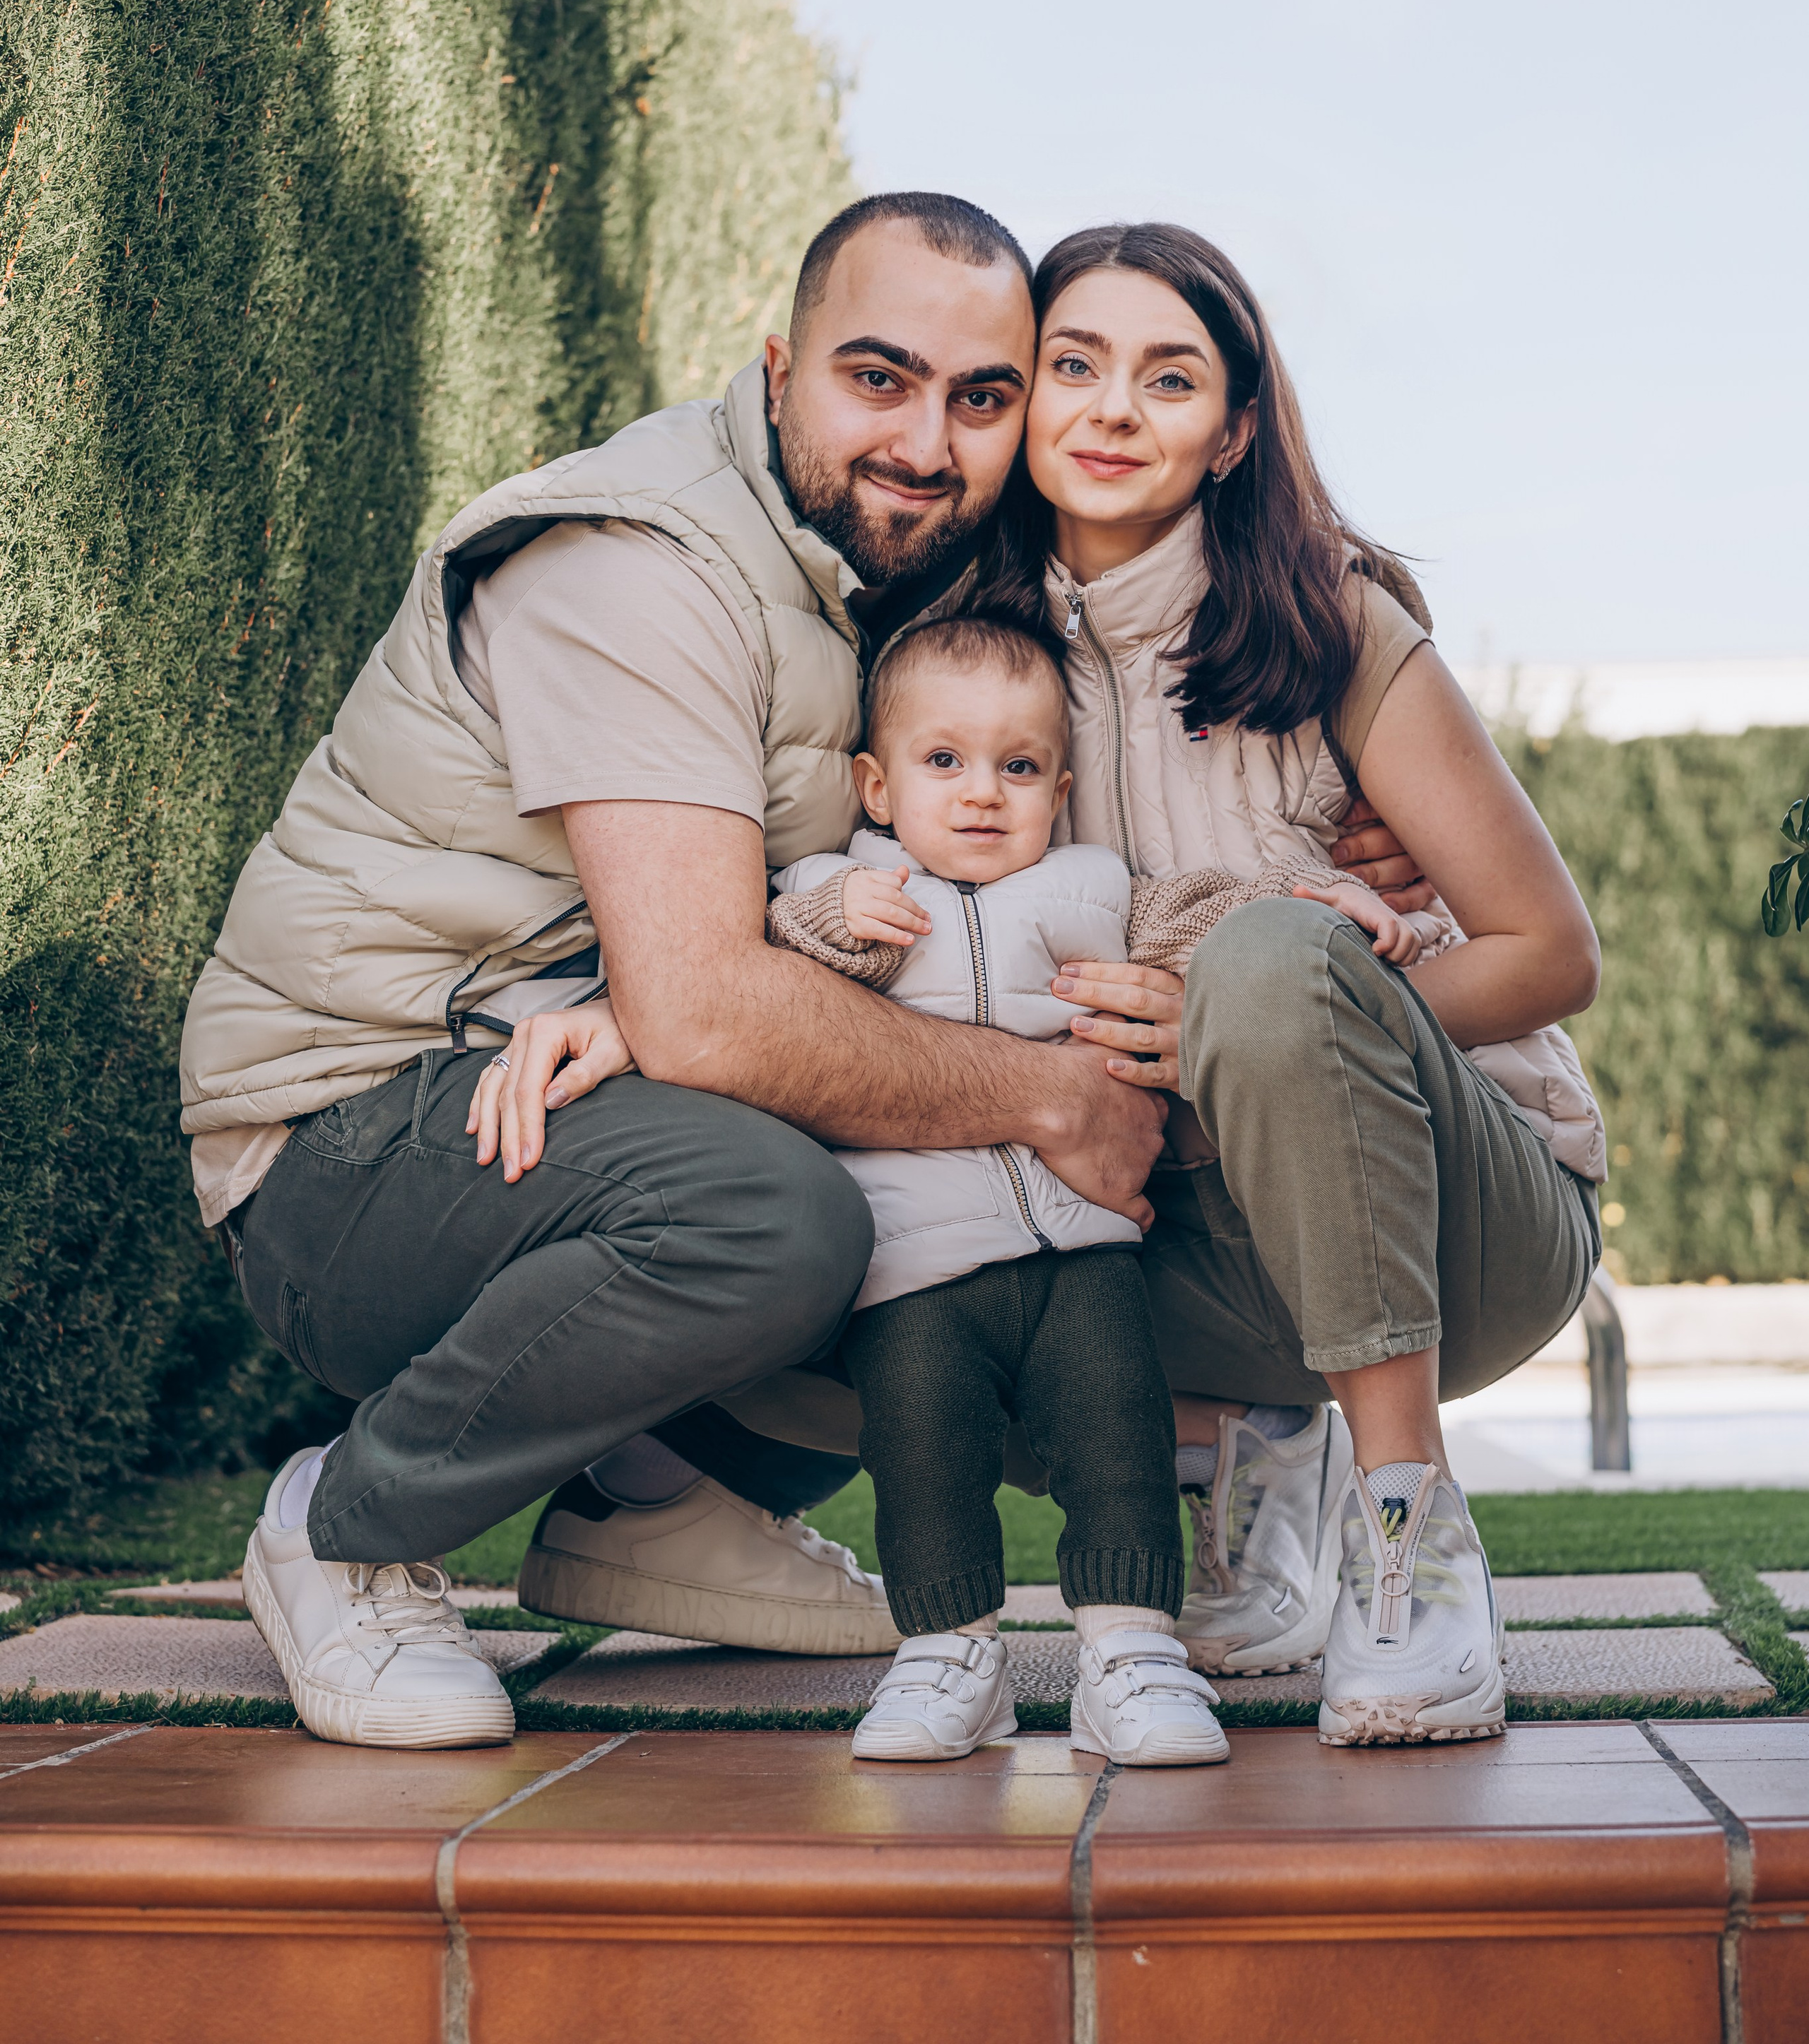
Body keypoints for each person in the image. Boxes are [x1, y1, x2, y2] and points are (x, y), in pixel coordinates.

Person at [182, 194, 1186, 1749]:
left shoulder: (894, 567)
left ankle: (660, 1500)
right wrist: (1052, 1097)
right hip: (356, 1139)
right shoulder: (636, 565)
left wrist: (1332, 861)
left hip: (572, 1093)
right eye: (878, 377)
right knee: (782, 1211)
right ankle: (348, 1529)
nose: (926, 440)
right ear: (778, 372)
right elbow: (708, 1008)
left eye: (979, 398)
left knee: (953, 1216)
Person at [996, 220, 1605, 1747]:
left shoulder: (1325, 624)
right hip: (1189, 1237)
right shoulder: (949, 657)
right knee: (826, 1208)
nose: (1110, 410)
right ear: (1017, 394)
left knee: (1270, 952)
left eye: (1168, 377)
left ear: (1234, 429)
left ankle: (1409, 1534)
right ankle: (1242, 1446)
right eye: (1071, 365)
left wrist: (1288, 985)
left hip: (1466, 1225)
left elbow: (1547, 954)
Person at [765, 611, 1425, 1764]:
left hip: (1084, 1253)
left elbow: (1209, 917)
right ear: (876, 787)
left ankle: (1131, 1653)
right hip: (912, 1267)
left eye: (1017, 768)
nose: (982, 794)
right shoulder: (850, 888)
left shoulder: (1093, 886)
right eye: (943, 762)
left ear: (1058, 790)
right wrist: (825, 914)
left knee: (1121, 1440)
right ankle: (948, 1655)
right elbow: (764, 964)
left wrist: (1318, 902)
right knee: (923, 1450)